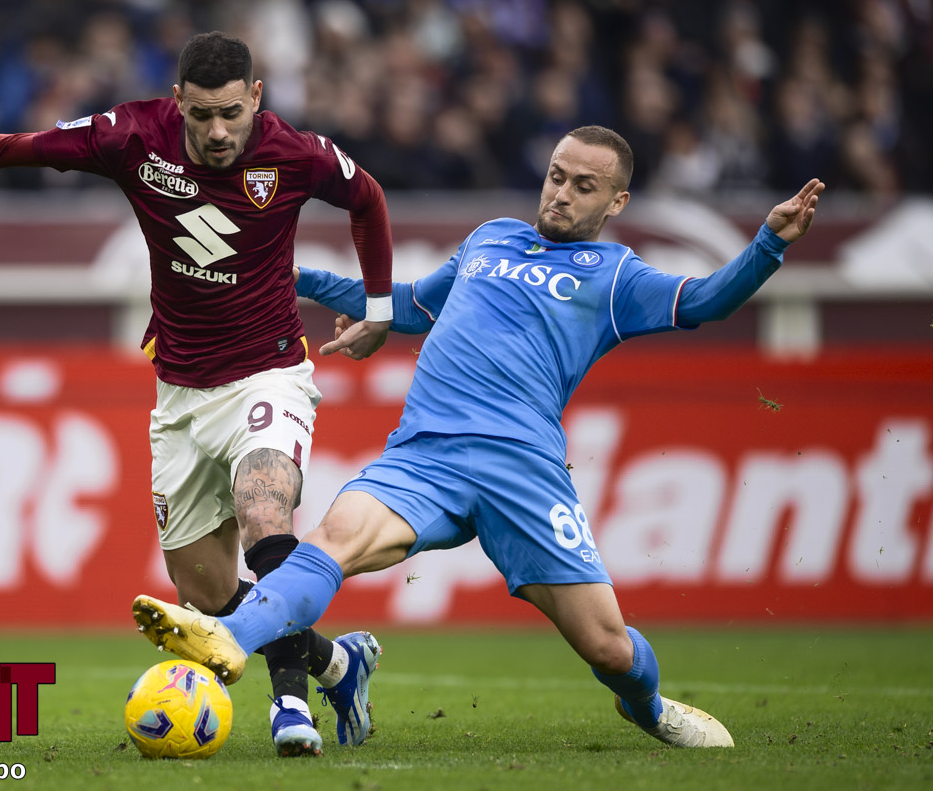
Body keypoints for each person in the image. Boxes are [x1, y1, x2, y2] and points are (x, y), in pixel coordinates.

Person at [130, 125, 826, 749]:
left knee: (609, 650)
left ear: (615, 203)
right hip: (425, 454)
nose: (561, 195)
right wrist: (305, 279)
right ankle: (229, 640)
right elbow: (411, 307)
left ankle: (647, 709)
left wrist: (769, 243)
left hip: (522, 473)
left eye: (585, 187)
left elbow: (705, 301)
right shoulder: (490, 237)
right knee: (330, 542)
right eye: (557, 176)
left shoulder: (616, 277)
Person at [0, 31, 393, 758]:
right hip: (180, 393)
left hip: (270, 372)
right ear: (176, 100)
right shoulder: (130, 137)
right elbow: (11, 149)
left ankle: (290, 709)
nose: (217, 132)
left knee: (263, 507)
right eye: (201, 115)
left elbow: (367, 196)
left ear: (255, 98)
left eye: (231, 114)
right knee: (206, 596)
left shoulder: (297, 153)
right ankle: (338, 662)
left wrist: (378, 313)